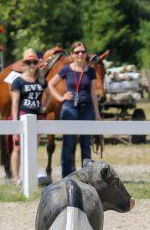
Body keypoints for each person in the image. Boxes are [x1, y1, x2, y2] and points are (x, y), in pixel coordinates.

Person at [48, 41, 102, 178]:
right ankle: (67, 177)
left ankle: (87, 177)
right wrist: (60, 98)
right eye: (77, 52)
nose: (80, 54)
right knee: (68, 143)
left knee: (86, 144)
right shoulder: (66, 69)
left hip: (87, 109)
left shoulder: (90, 71)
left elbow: (93, 93)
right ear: (72, 54)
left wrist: (97, 113)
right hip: (70, 109)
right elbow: (50, 84)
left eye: (83, 52)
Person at [9, 48, 47, 185]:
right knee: (17, 147)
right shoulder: (18, 81)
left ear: (37, 63)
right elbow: (15, 103)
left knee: (33, 148)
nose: (32, 65)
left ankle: (29, 175)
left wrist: (44, 106)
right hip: (22, 115)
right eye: (29, 62)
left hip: (37, 116)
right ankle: (15, 177)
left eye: (34, 62)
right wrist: (14, 124)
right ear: (24, 64)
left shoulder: (42, 80)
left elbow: (48, 94)